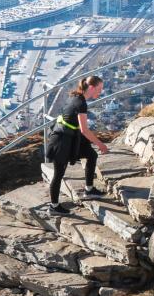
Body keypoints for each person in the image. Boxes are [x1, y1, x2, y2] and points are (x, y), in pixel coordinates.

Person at [44, 74, 108, 213]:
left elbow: (78, 126)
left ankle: (89, 190)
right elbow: (85, 130)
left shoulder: (76, 97)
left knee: (91, 155)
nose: (100, 92)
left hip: (70, 137)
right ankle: (54, 207)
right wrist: (101, 145)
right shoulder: (81, 103)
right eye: (99, 89)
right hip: (61, 140)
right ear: (91, 87)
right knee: (58, 174)